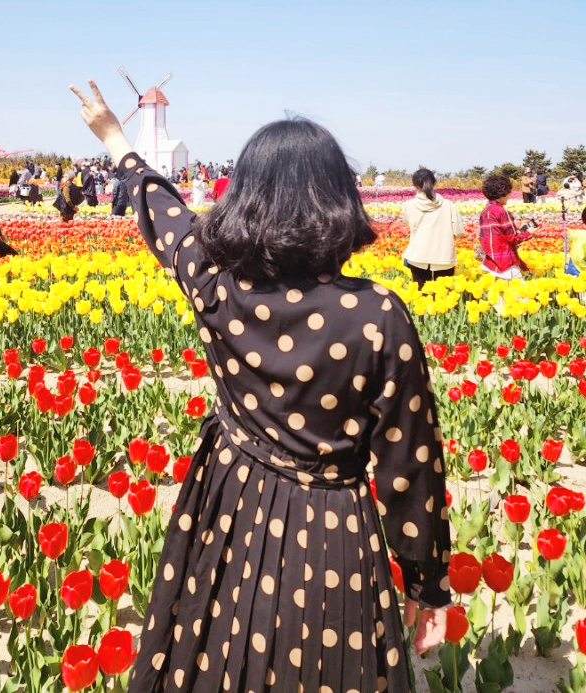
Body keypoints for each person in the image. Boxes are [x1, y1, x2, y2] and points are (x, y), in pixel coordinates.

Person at [71, 79, 450, 693]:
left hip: (229, 500)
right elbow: (410, 468)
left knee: (217, 646)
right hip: (331, 527)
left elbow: (160, 211)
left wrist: (115, 136)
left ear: (244, 198)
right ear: (338, 199)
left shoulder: (215, 282)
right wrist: (428, 584)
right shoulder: (378, 317)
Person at [401, 168, 465, 289]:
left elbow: (408, 224)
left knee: (422, 299)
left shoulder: (408, 206)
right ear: (434, 183)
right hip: (444, 259)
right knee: (443, 299)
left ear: (415, 184)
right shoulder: (448, 205)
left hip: (418, 257)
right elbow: (458, 231)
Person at [478, 174, 535, 279]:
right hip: (506, 262)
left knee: (499, 294)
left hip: (491, 260)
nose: (510, 195)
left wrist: (518, 228)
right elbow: (512, 238)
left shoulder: (485, 211)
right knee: (520, 294)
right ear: (503, 193)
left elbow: (496, 234)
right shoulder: (502, 211)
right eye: (509, 192)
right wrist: (529, 232)